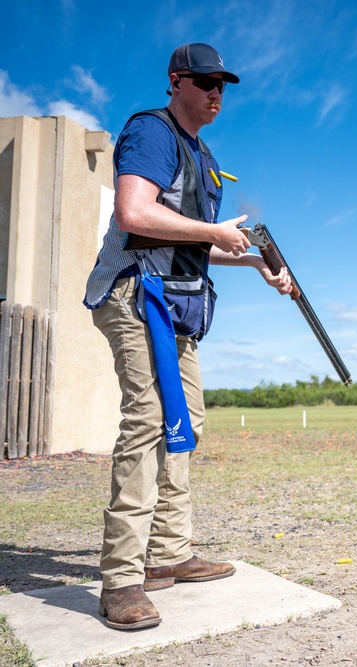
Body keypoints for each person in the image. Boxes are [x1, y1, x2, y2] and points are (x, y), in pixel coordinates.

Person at [83, 43, 292, 630]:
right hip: (134, 292)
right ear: (176, 82)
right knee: (149, 419)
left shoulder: (203, 153)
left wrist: (254, 263)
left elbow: (194, 242)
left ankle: (168, 554)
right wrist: (214, 232)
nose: (215, 93)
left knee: (187, 422)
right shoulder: (152, 132)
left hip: (175, 304)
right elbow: (134, 214)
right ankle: (122, 578)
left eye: (221, 84)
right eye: (203, 83)